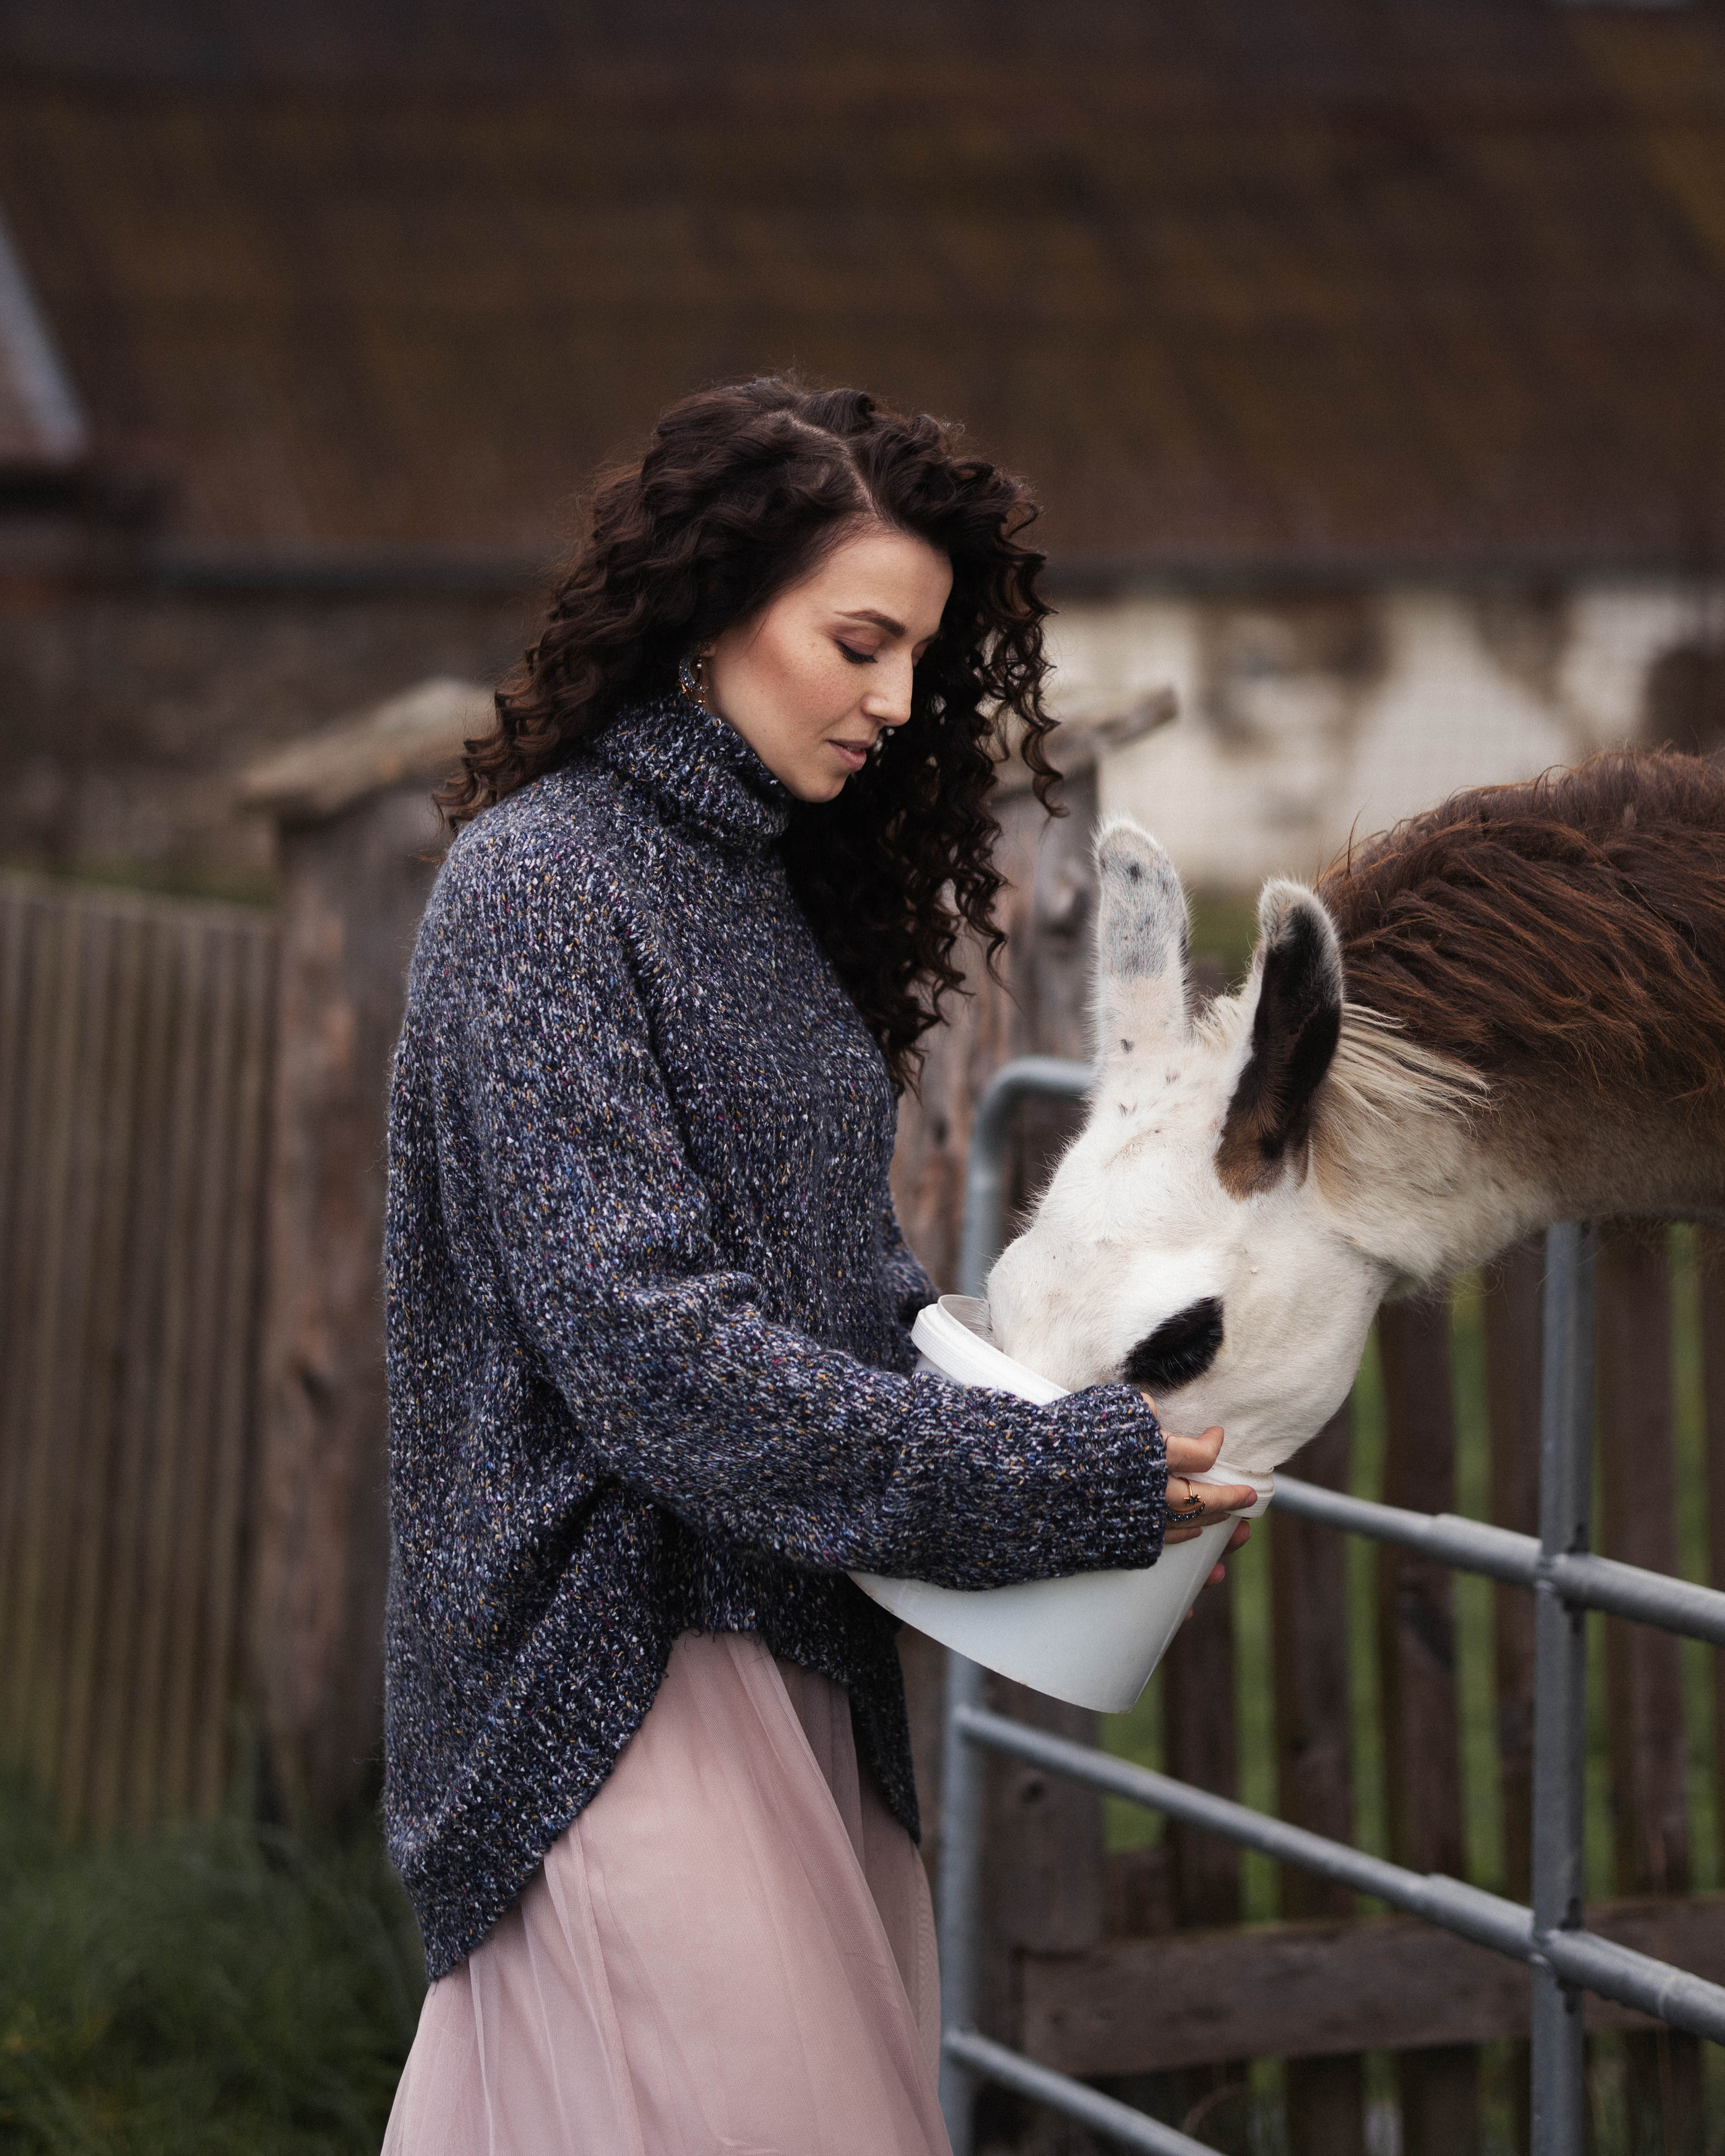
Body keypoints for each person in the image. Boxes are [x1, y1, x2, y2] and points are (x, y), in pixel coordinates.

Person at [379, 377, 1253, 2155]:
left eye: (921, 657)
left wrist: (1109, 1493)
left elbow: (852, 1310)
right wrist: (1035, 1480)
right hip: (602, 1682)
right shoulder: (536, 887)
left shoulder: (761, 898)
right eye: (860, 641)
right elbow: (650, 1353)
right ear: (713, 603)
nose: (898, 701)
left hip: (794, 1662)